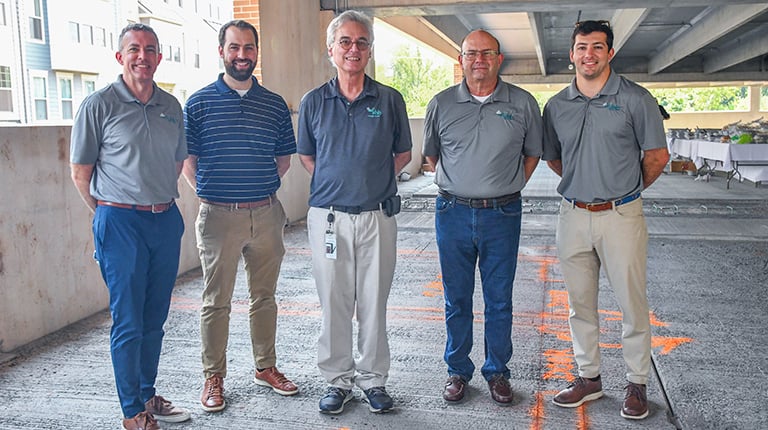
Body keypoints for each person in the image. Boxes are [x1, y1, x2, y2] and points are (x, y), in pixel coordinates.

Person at [541, 20, 670, 420]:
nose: (589, 55)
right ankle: (589, 379)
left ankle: (637, 383)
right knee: (579, 304)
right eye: (582, 47)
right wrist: (585, 184)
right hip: (573, 215)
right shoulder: (557, 105)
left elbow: (656, 157)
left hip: (622, 215)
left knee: (632, 303)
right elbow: (554, 158)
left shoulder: (636, 99)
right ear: (572, 55)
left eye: (598, 47)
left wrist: (625, 191)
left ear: (610, 53)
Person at [70, 23, 191, 430]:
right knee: (128, 319)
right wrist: (108, 213)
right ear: (120, 57)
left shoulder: (172, 105)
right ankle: (131, 412)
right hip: (119, 221)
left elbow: (176, 163)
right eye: (134, 49)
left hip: (164, 219)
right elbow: (80, 172)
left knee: (155, 317)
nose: (143, 56)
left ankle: (146, 392)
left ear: (159, 57)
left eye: (151, 49)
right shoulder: (99, 104)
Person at [296, 10, 412, 415]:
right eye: (345, 41)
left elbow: (403, 154)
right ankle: (337, 381)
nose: (353, 49)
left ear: (370, 50)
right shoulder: (314, 102)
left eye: (361, 42)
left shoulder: (389, 99)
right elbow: (308, 157)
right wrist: (340, 184)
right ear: (331, 50)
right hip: (328, 218)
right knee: (334, 301)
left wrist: (370, 181)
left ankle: (373, 380)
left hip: (377, 216)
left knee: (373, 301)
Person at [182, 20, 298, 413]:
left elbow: (284, 159)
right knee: (217, 301)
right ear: (222, 52)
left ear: (256, 52)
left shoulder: (274, 104)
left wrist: (256, 188)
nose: (242, 55)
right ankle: (213, 376)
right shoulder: (197, 103)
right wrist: (211, 191)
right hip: (218, 217)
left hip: (266, 213)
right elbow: (188, 159)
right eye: (234, 48)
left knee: (264, 298)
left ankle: (266, 367)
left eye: (249, 48)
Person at [423, 30, 543, 406]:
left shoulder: (523, 103)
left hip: (502, 214)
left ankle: (497, 372)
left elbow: (532, 154)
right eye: (471, 53)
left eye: (486, 53)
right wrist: (463, 184)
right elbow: (431, 157)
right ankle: (458, 370)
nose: (478, 59)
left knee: (499, 300)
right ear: (461, 59)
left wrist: (505, 185)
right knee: (456, 299)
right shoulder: (441, 103)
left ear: (499, 59)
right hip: (452, 213)